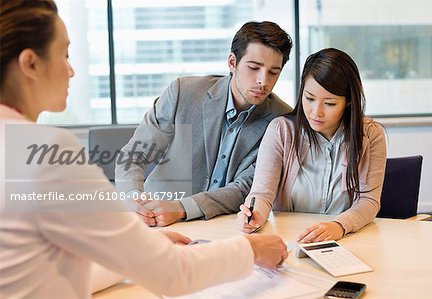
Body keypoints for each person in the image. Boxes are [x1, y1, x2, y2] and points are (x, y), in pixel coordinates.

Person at [0, 1, 288, 298]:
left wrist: (136, 253)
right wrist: (249, 250)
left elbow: (51, 272)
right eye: (64, 54)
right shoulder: (48, 151)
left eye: (273, 72)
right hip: (176, 246)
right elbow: (172, 274)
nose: (72, 70)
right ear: (31, 64)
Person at [115, 21, 293, 227]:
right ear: (232, 63)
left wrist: (181, 208)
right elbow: (135, 154)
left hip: (224, 226)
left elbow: (245, 187)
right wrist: (133, 198)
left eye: (273, 72)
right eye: (254, 68)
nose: (263, 81)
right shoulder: (184, 93)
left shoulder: (282, 120)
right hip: (155, 220)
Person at [237, 48, 387, 242]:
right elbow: (262, 193)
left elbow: (369, 201)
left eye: (330, 103)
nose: (316, 112)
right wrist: (254, 214)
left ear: (348, 101)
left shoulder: (370, 134)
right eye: (309, 99)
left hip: (346, 238)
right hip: (290, 238)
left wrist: (339, 226)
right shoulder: (281, 131)